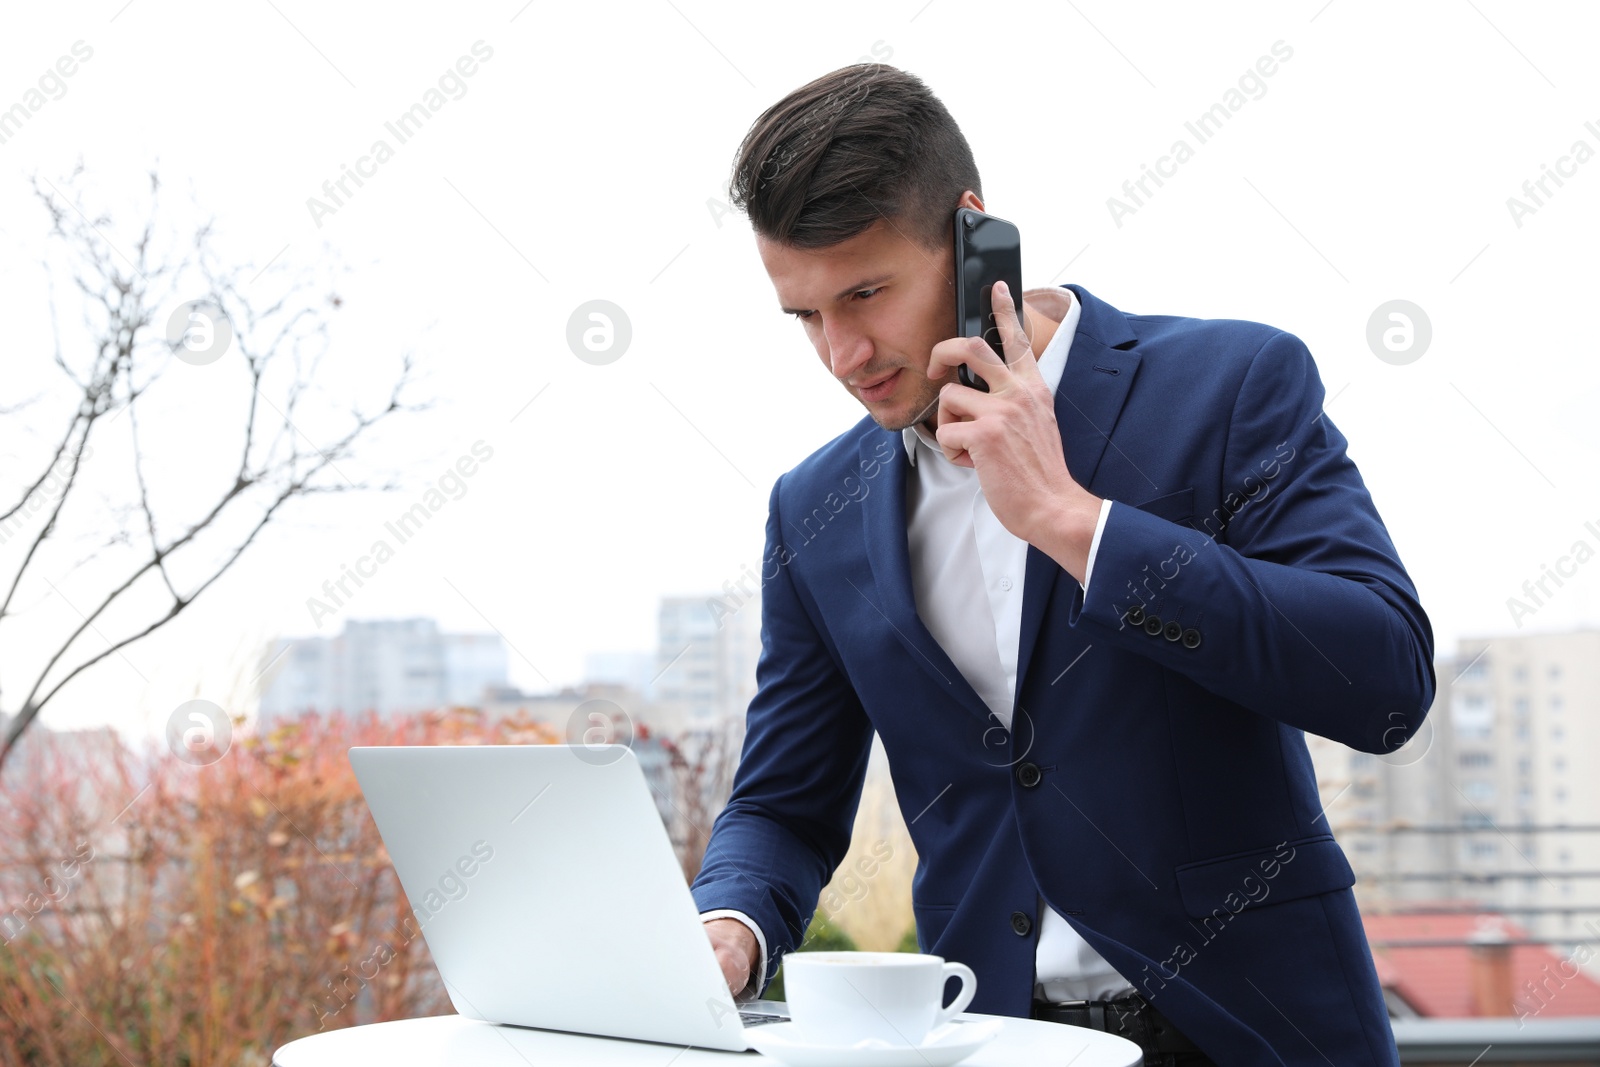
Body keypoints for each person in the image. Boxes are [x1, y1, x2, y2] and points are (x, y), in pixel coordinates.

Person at [690, 62, 1433, 1067]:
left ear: (969, 233)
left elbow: (1382, 676)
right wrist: (729, 921)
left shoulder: (1228, 387)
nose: (842, 354)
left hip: (1257, 1031)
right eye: (806, 315)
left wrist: (1075, 522)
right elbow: (782, 801)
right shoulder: (811, 510)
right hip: (987, 1038)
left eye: (865, 293)